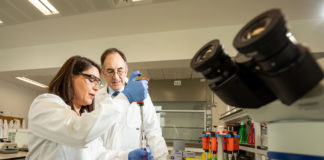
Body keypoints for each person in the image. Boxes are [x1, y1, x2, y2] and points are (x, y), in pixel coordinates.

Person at [26, 56, 152, 160]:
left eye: (98, 82)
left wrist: (127, 156)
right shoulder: (44, 104)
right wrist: (126, 97)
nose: (97, 87)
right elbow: (79, 131)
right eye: (91, 80)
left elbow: (97, 155)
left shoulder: (84, 115)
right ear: (71, 77)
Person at [95, 48, 168, 160]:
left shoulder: (141, 94)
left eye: (120, 70)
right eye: (110, 71)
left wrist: (162, 157)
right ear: (103, 72)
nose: (116, 76)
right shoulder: (96, 99)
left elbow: (153, 131)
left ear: (126, 70)